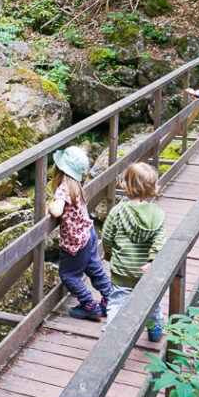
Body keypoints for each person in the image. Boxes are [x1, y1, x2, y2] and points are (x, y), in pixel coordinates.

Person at [102, 161, 167, 342]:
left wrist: (109, 255)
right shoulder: (157, 214)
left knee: (117, 302)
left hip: (123, 268)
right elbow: (159, 241)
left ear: (127, 185)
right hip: (147, 271)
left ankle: (112, 336)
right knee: (151, 300)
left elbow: (107, 237)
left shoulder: (117, 211)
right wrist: (152, 262)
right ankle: (155, 330)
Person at [48, 145, 114, 321]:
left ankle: (89, 305)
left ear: (60, 169)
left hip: (76, 242)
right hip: (89, 234)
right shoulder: (76, 186)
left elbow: (56, 211)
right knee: (94, 268)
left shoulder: (63, 189)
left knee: (69, 275)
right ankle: (110, 299)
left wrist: (51, 204)